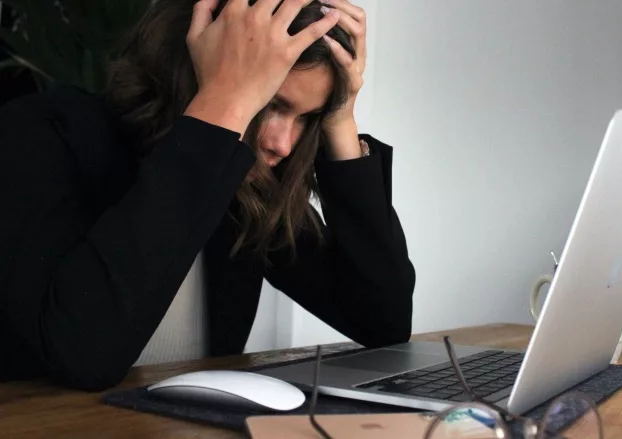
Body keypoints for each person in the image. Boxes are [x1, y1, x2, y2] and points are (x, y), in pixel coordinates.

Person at [0, 0, 415, 391]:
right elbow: (83, 356)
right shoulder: (41, 135)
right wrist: (223, 105)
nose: (283, 144)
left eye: (306, 117)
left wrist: (340, 119)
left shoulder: (244, 187)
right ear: (193, 65)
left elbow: (382, 322)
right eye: (269, 102)